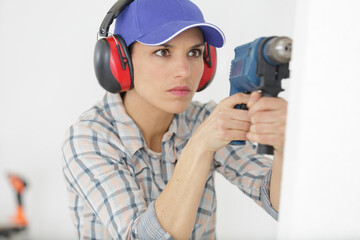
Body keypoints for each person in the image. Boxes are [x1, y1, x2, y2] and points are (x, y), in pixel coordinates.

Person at [62, 0, 287, 239]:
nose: (185, 71)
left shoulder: (204, 119)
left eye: (194, 53)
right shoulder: (89, 138)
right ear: (120, 62)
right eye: (163, 52)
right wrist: (200, 146)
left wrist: (283, 146)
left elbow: (280, 204)